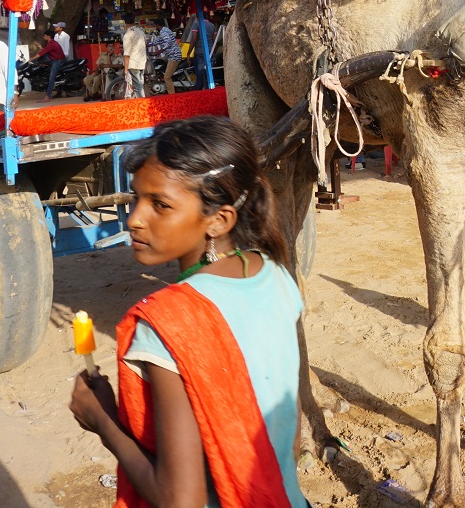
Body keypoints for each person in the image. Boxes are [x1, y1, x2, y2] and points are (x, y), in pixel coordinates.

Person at [68, 116, 307, 508]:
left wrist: (103, 420)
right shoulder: (275, 275)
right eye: (135, 198)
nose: (135, 219)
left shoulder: (169, 323)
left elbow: (181, 501)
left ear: (219, 220)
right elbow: (290, 438)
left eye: (160, 205)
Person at [146, 17, 183, 95]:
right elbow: (158, 41)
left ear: (157, 25)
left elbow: (167, 43)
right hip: (170, 55)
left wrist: (157, 52)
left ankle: (171, 95)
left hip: (174, 56)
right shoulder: (164, 30)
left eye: (155, 25)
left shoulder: (164, 31)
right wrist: (147, 44)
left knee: (167, 77)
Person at [121, 17, 147, 99]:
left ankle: (142, 102)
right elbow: (146, 43)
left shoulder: (128, 35)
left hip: (133, 63)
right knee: (140, 84)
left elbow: (127, 54)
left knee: (137, 87)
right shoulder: (141, 32)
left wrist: (125, 69)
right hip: (142, 62)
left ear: (125, 23)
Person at [35, 32, 67, 99]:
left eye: (45, 36)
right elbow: (46, 51)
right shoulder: (51, 43)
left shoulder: (51, 43)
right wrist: (41, 48)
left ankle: (47, 96)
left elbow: (41, 53)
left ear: (48, 36)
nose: (44, 37)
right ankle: (59, 92)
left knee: (51, 78)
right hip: (55, 60)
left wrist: (31, 59)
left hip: (58, 61)